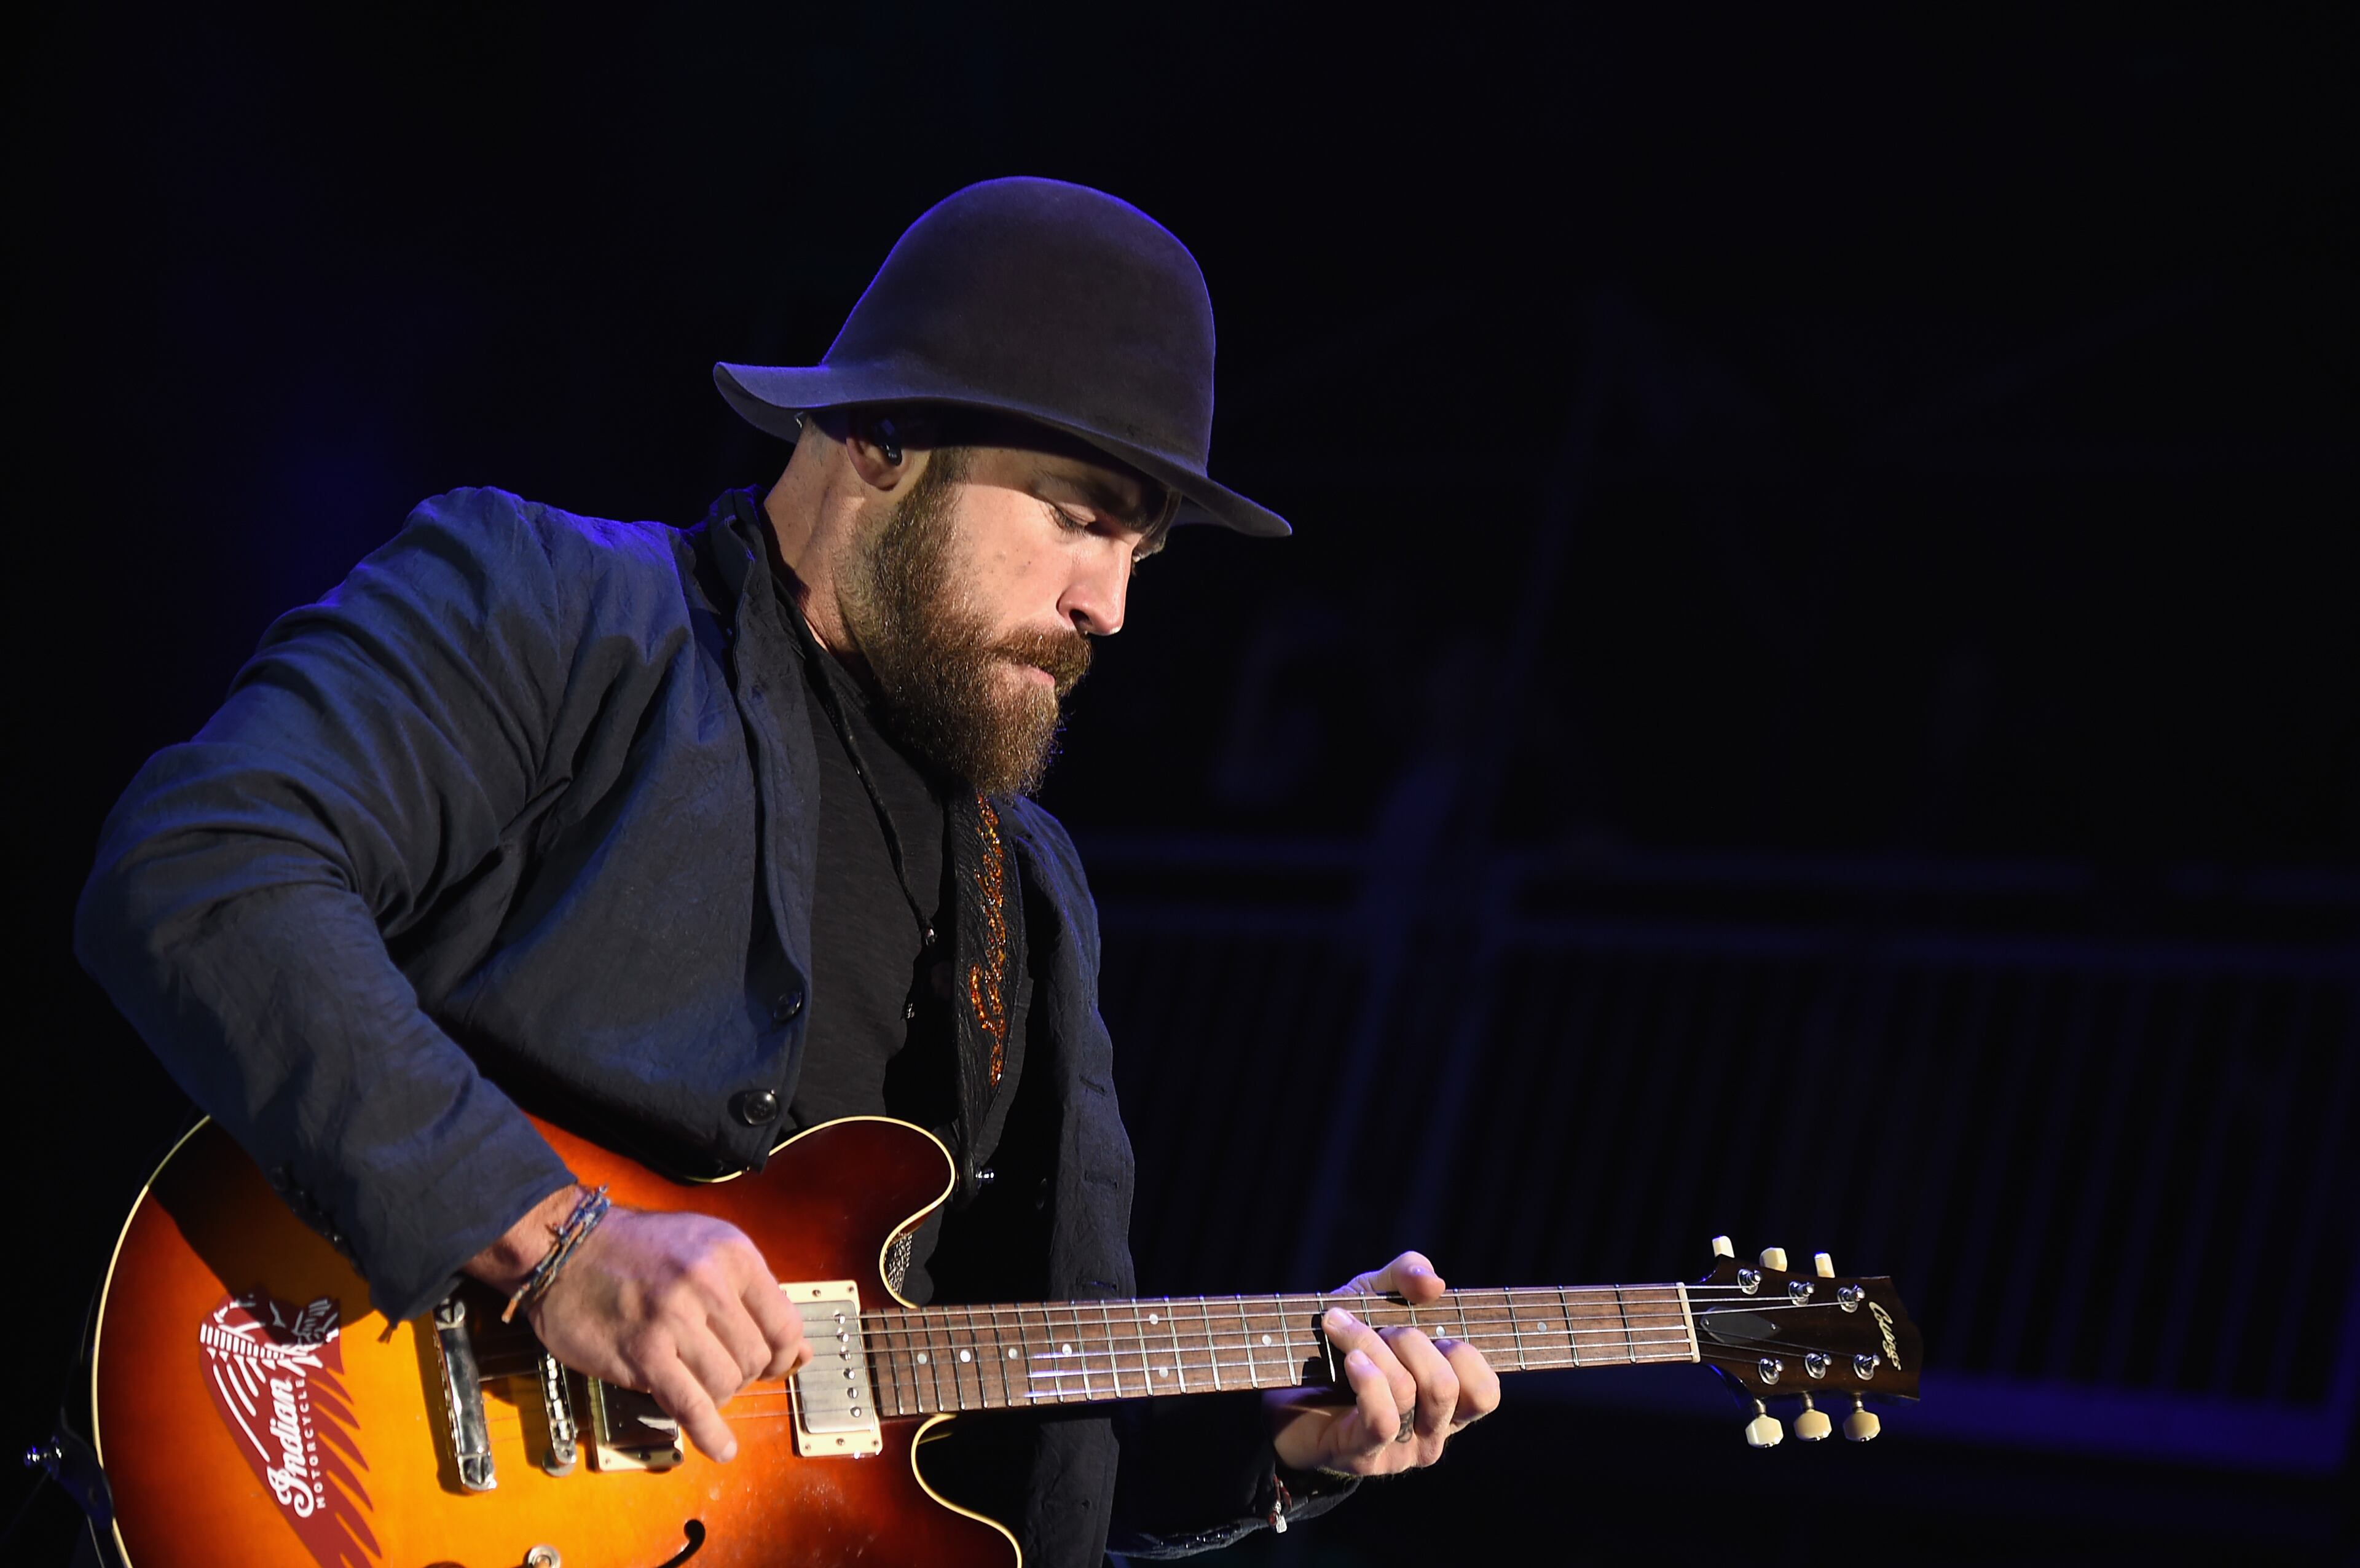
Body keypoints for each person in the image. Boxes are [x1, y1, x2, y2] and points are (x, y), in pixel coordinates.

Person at [75, 176, 1498, 1564]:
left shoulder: (1033, 897)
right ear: (882, 436)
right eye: (1079, 515)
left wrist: (1265, 1447)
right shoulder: (557, 611)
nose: (1108, 608)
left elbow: (1011, 1470)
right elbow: (200, 869)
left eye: (1143, 548)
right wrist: (555, 1241)